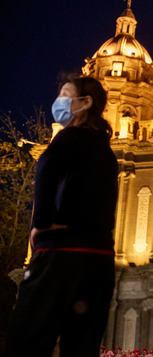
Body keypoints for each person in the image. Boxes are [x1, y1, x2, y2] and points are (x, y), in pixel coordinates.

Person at [6, 75, 118, 357]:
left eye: (66, 94)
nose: (59, 100)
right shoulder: (106, 150)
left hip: (61, 253)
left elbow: (45, 173)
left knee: (27, 338)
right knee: (81, 346)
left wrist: (41, 224)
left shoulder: (68, 137)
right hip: (100, 259)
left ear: (85, 103)